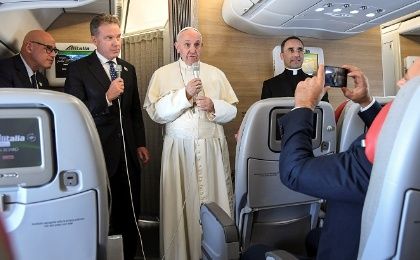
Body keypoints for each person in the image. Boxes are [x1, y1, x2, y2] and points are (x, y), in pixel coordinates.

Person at [277, 58, 420, 260]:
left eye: (408, 81)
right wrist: (366, 102)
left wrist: (304, 105)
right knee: (312, 238)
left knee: (255, 253)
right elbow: (398, 139)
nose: (399, 83)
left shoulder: (372, 165)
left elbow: (294, 171)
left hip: (353, 246)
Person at [144, 27, 238, 260]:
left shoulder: (216, 74)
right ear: (177, 46)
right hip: (179, 150)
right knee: (179, 208)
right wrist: (184, 96)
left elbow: (233, 110)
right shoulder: (162, 74)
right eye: (187, 44)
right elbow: (155, 112)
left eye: (197, 45)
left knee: (215, 202)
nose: (192, 50)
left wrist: (214, 105)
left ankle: (217, 252)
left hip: (211, 150)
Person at [64, 14, 150, 260]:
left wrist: (141, 143)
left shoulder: (128, 69)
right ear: (94, 39)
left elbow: (134, 110)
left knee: (130, 211)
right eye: (109, 37)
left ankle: (131, 255)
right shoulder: (79, 69)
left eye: (118, 36)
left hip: (128, 153)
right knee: (105, 212)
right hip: (99, 154)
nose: (116, 42)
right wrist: (106, 98)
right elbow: (76, 114)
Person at [261, 36, 329, 102]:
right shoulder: (269, 85)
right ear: (282, 56)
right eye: (291, 50)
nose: (296, 54)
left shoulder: (317, 84)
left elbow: (325, 111)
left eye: (300, 50)